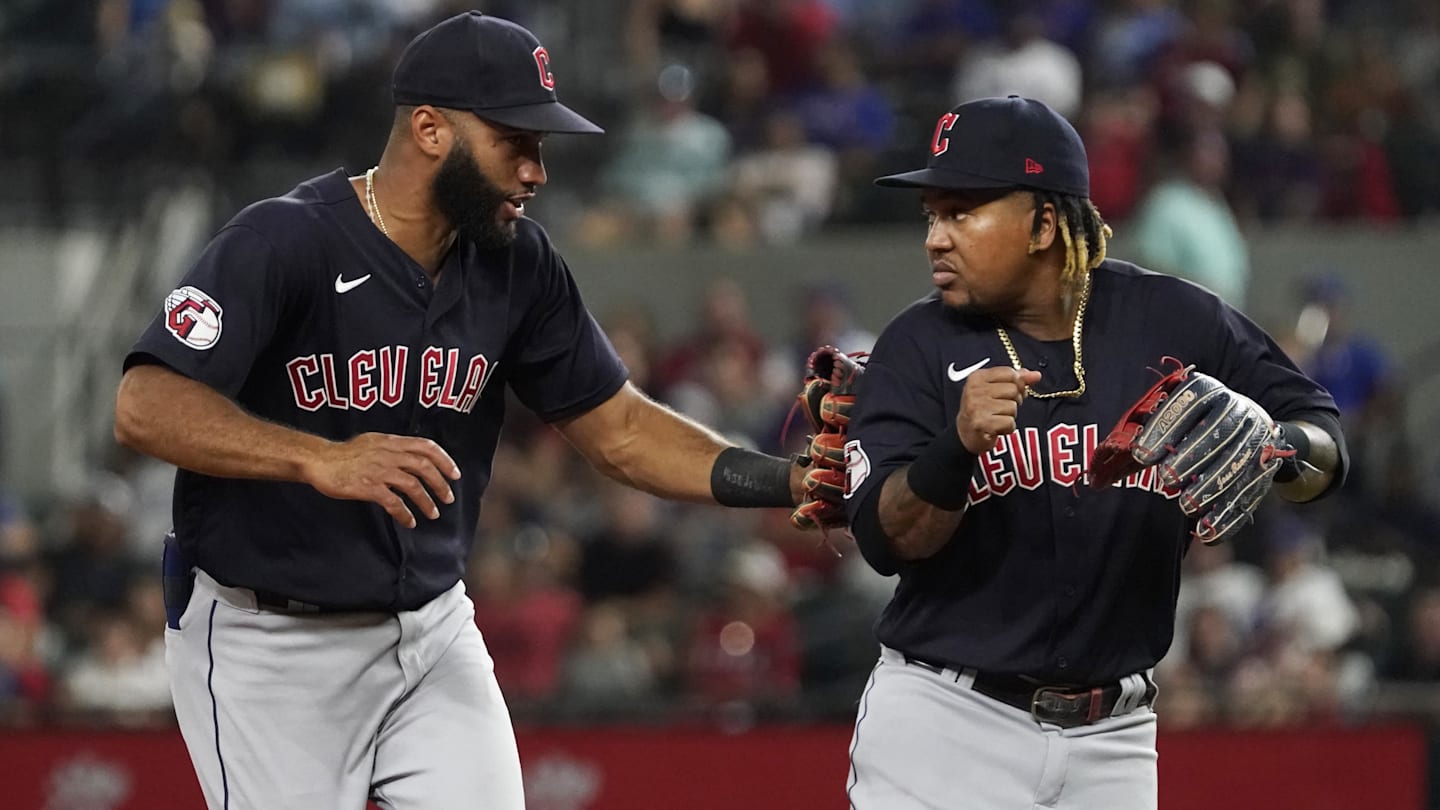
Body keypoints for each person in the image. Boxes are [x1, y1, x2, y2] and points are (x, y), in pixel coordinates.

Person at [112, 12, 815, 810]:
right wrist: (319, 456)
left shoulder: (518, 262)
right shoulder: (285, 240)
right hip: (268, 640)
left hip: (430, 626)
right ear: (429, 129)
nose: (536, 171)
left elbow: (618, 429)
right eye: (516, 141)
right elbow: (145, 404)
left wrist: (783, 480)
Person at [839, 96, 1347, 809]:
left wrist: (1279, 446)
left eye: (962, 211)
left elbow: (1325, 438)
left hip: (1114, 736)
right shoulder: (916, 347)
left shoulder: (1174, 318)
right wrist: (953, 448)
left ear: (1046, 221)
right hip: (947, 721)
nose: (936, 238)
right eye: (933, 215)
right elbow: (887, 539)